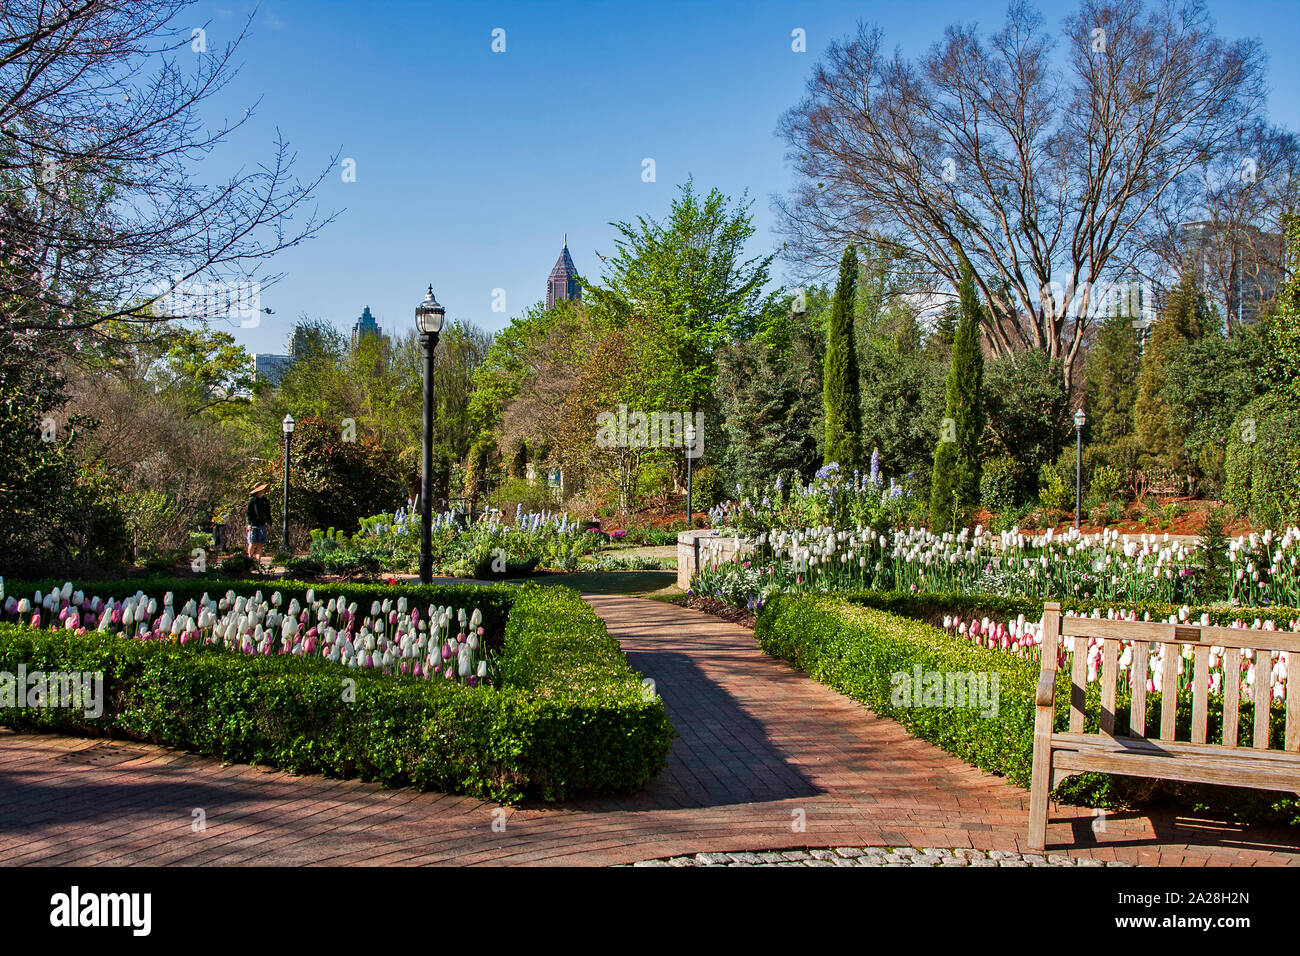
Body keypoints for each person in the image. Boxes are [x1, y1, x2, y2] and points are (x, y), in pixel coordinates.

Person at [246, 483, 272, 561]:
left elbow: (268, 513)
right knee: (252, 543)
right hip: (253, 525)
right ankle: (249, 558)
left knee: (260, 544)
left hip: (262, 525)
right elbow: (248, 513)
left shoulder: (265, 501)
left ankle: (258, 561)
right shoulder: (252, 500)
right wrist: (249, 523)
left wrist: (270, 524)